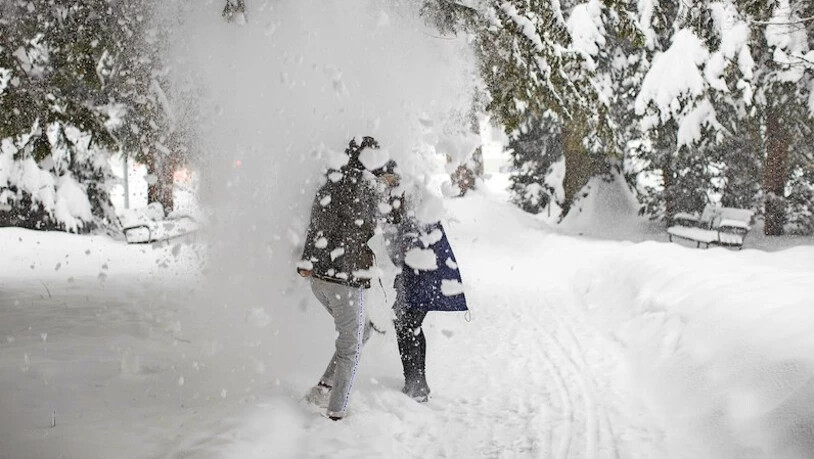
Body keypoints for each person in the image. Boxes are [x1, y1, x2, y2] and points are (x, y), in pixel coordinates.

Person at [297, 136, 382, 420]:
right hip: (348, 282)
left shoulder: (329, 182)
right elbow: (379, 221)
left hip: (320, 280)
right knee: (350, 350)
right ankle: (336, 413)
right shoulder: (368, 188)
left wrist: (307, 260)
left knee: (363, 330)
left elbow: (316, 224)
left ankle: (323, 387)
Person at [377, 161, 468, 402]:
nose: (382, 181)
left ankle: (416, 385)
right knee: (407, 324)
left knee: (407, 324)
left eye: (385, 177)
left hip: (427, 271)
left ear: (395, 174)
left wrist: (396, 256)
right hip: (418, 272)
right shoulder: (400, 194)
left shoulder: (412, 195)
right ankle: (416, 382)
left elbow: (412, 239)